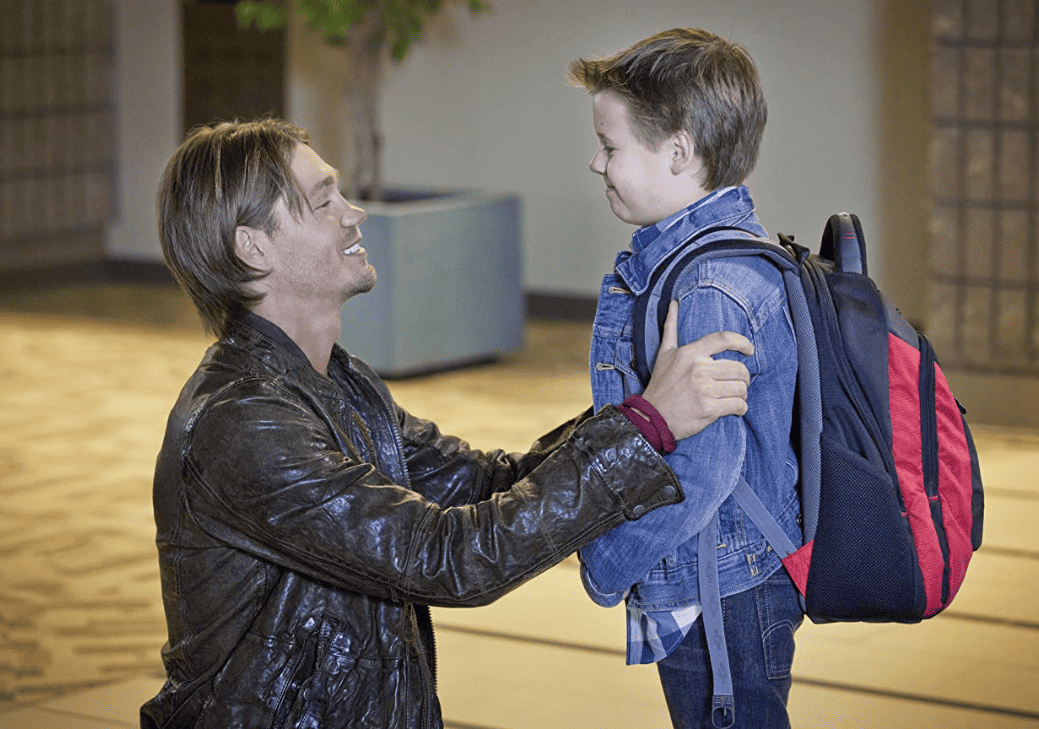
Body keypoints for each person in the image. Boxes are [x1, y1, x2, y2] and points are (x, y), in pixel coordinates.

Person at [141, 118, 757, 729]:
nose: (353, 213)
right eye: (324, 201)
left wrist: (639, 414)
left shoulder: (338, 381)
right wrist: (646, 426)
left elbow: (488, 484)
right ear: (253, 247)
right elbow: (446, 556)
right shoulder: (243, 422)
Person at [569, 29, 804, 728]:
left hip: (721, 587)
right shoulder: (719, 258)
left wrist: (604, 559)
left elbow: (702, 466)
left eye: (610, 145)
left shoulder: (706, 287)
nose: (595, 161)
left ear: (677, 151)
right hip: (725, 575)